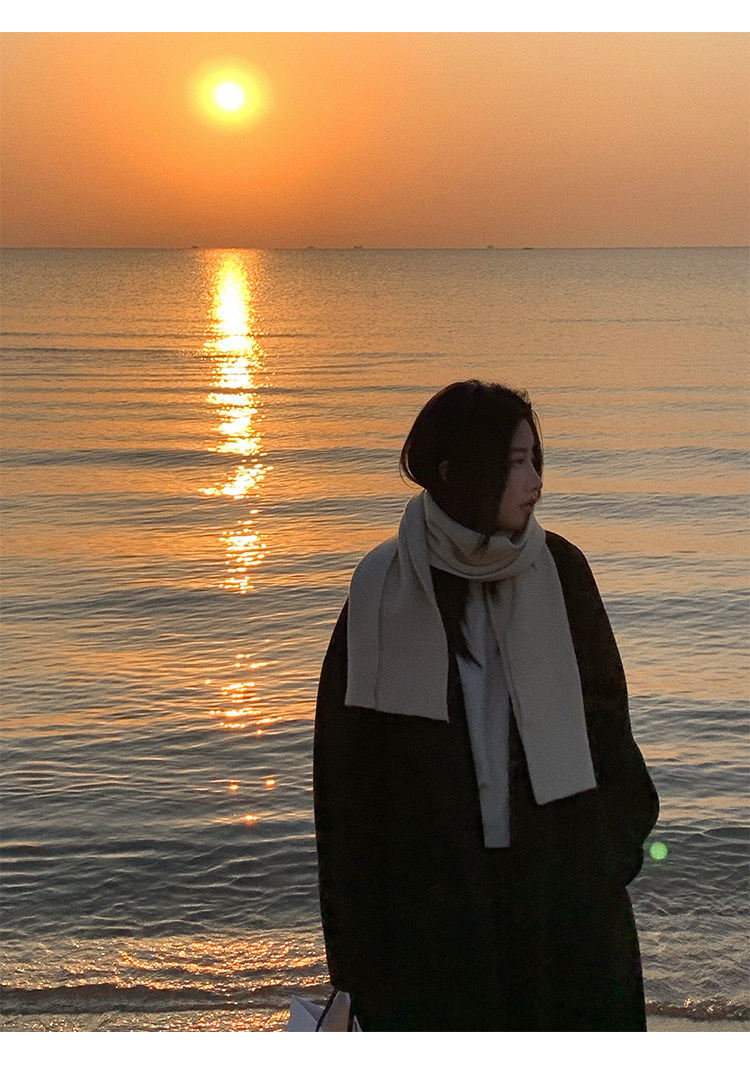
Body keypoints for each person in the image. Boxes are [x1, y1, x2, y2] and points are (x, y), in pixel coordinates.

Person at [313, 380, 659, 1031]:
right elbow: (347, 791)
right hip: (432, 922)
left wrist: (608, 859)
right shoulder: (380, 591)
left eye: (535, 460)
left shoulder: (562, 573)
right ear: (455, 473)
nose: (535, 482)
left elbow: (611, 734)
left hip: (561, 908)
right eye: (515, 462)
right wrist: (356, 960)